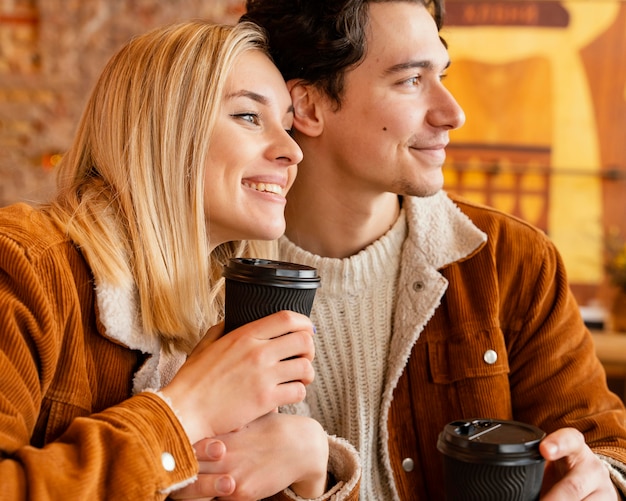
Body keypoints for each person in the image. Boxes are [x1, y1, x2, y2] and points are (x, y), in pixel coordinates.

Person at [195, 0, 626, 499]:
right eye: (410, 80)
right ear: (309, 107)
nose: (453, 112)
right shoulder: (192, 277)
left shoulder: (511, 259)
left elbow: (604, 443)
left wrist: (600, 479)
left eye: (442, 74)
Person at [0, 19, 335, 500]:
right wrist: (183, 413)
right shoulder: (23, 265)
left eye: (286, 126)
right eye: (247, 116)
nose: (291, 151)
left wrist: (311, 470)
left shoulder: (224, 307)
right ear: (163, 128)